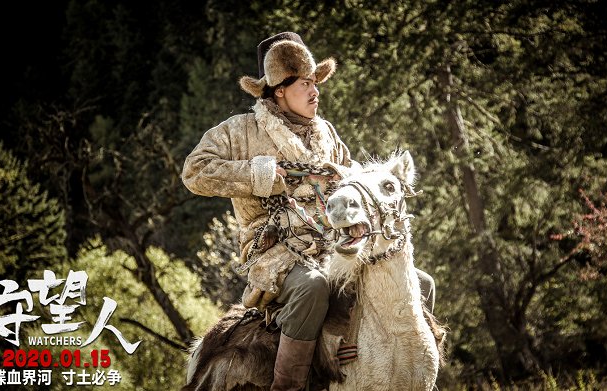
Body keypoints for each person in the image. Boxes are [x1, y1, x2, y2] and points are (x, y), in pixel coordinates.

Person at [182, 32, 436, 390]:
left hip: (331, 247)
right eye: (306, 83)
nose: (316, 91)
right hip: (276, 253)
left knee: (420, 282)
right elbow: (194, 172)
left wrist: (346, 178)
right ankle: (289, 386)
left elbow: (353, 176)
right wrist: (263, 173)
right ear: (280, 89)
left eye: (316, 82)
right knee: (313, 288)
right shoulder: (239, 131)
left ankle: (419, 374)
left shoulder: (326, 133)